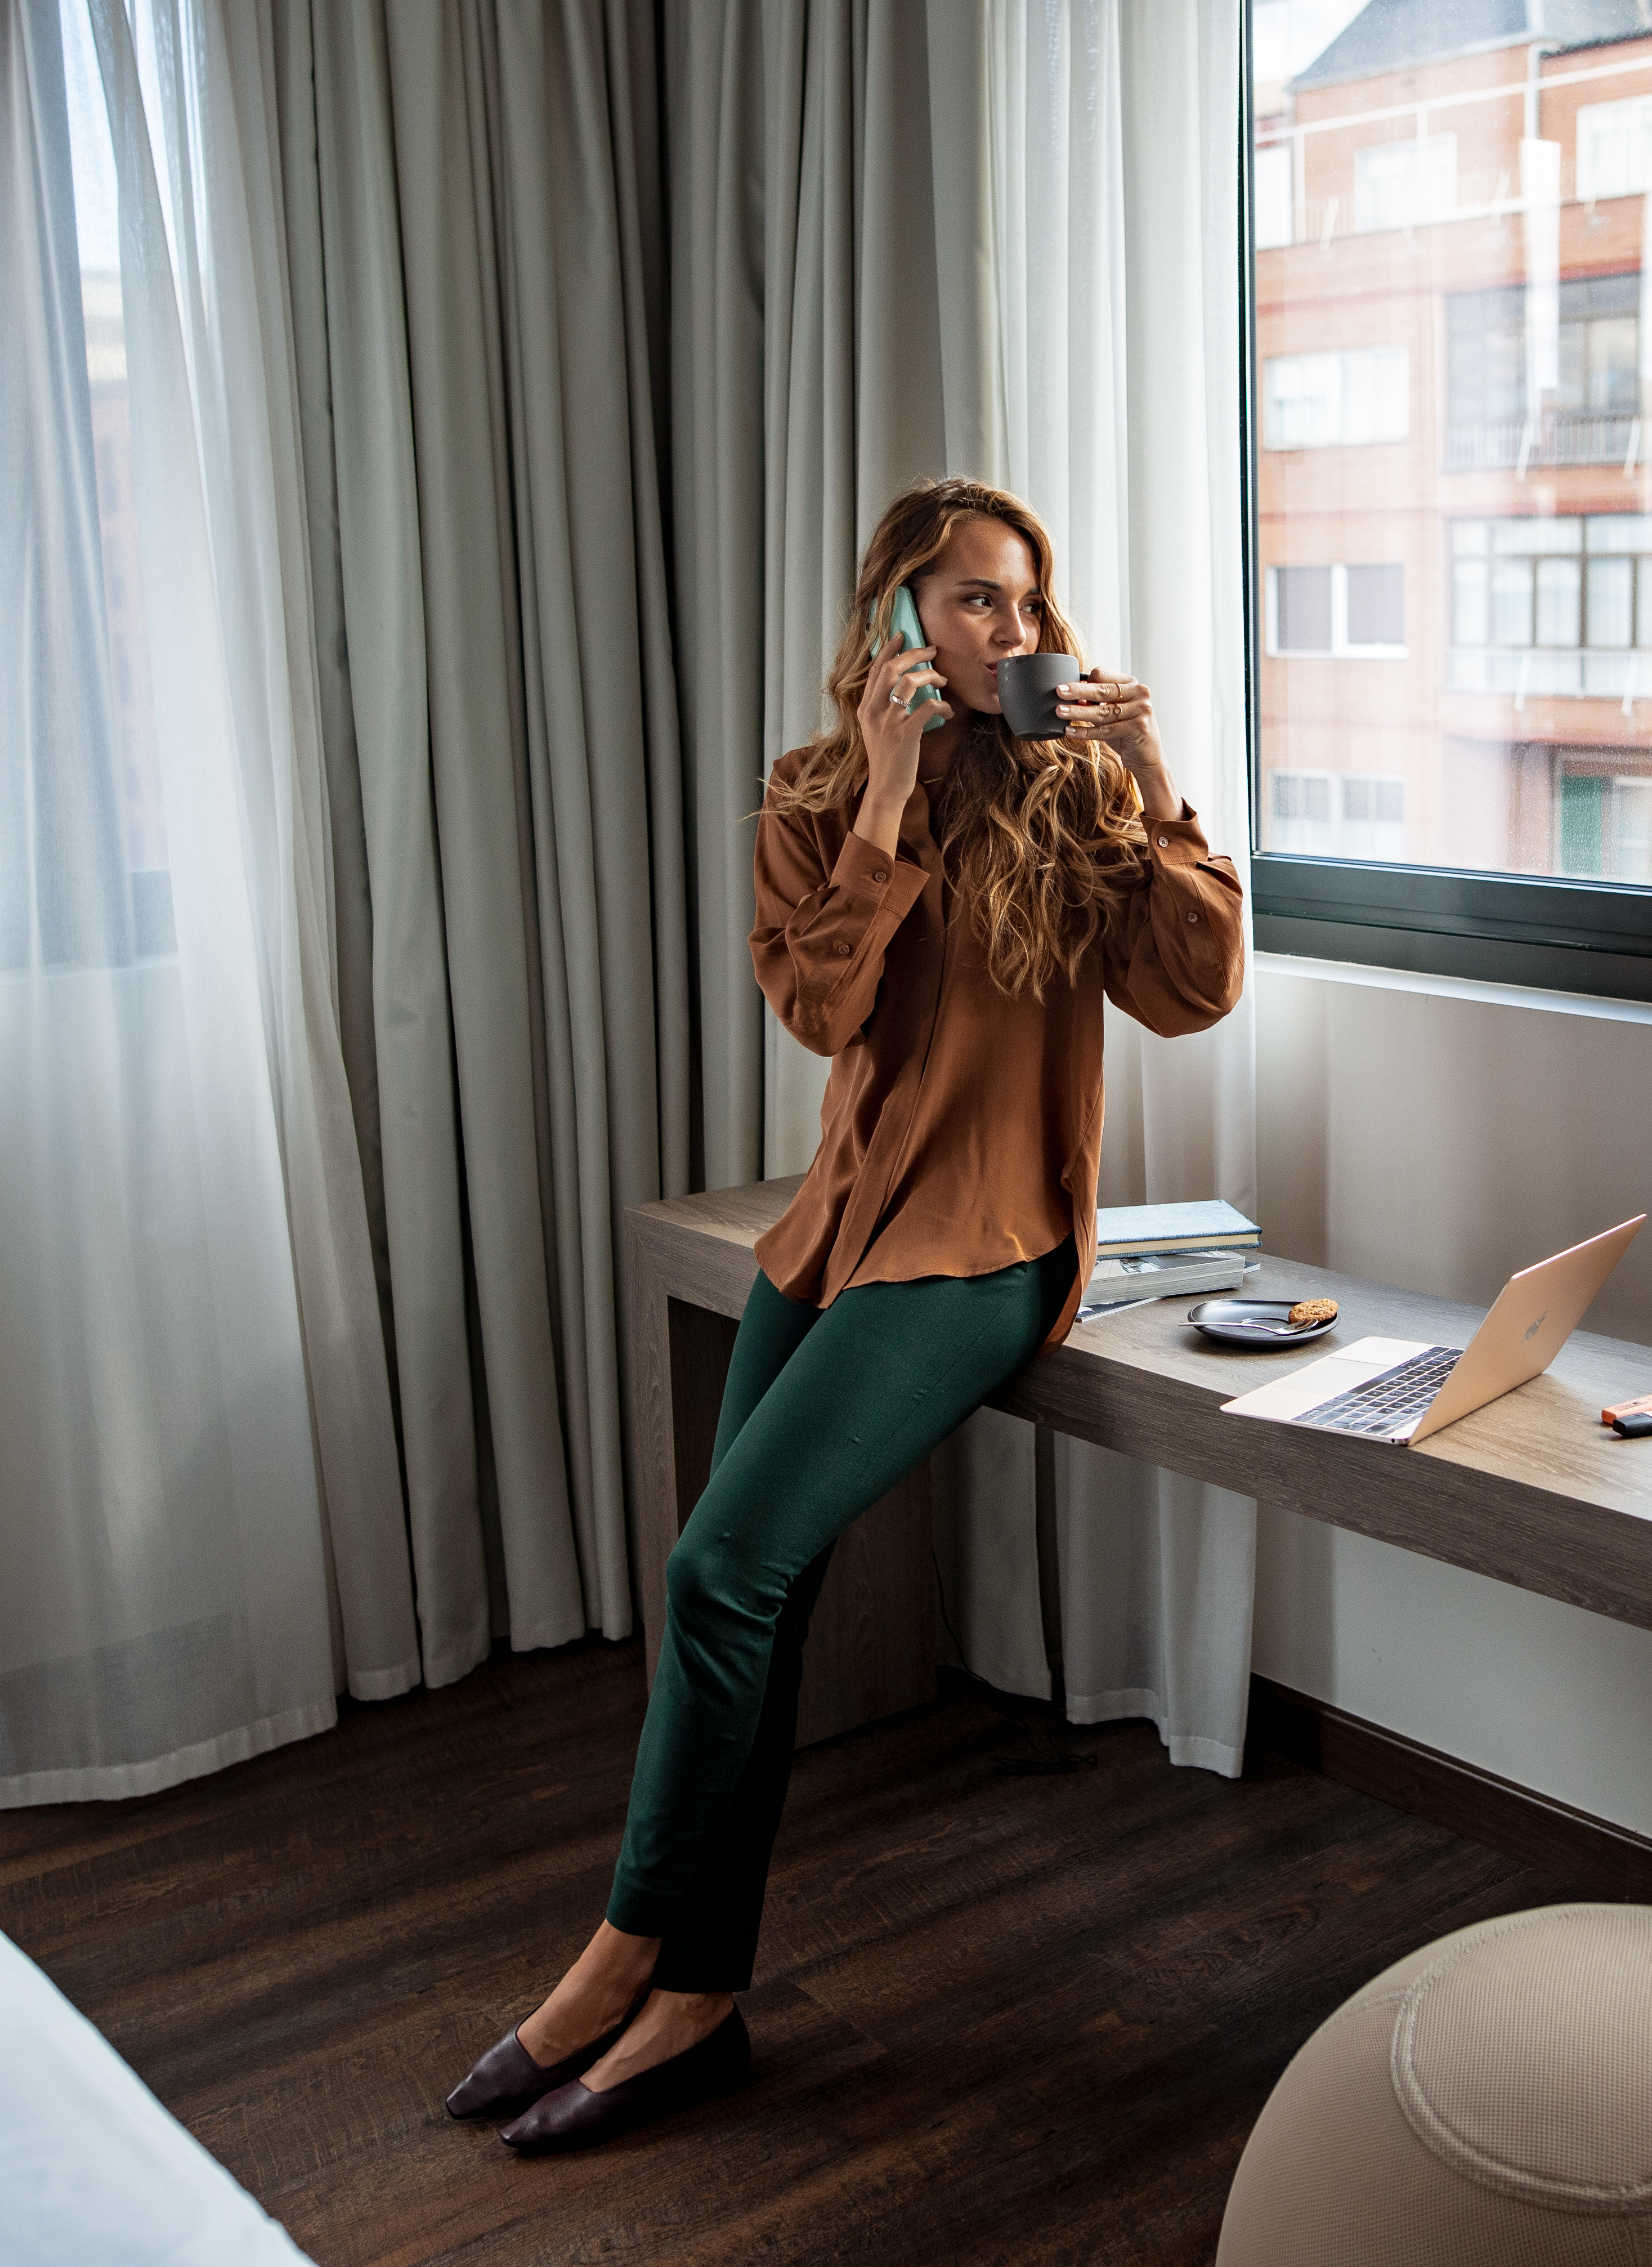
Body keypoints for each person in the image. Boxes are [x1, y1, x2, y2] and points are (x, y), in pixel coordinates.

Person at [447, 476, 1247, 2152]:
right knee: (763, 1589)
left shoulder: (1079, 782)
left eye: (1025, 600)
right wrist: (884, 798)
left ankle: (619, 1957)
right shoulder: (815, 794)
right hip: (832, 1238)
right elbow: (817, 1008)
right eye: (970, 601)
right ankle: (700, 2003)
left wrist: (1159, 781)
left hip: (991, 1246)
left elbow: (1193, 991)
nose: (1009, 630)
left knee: (716, 1569)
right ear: (896, 620)